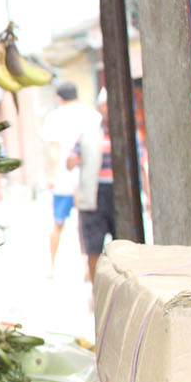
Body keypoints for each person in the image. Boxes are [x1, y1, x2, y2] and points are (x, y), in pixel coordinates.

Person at [40, 80, 100, 275]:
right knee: (85, 223)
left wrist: (52, 175)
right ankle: (87, 267)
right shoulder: (91, 115)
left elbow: (54, 150)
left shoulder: (54, 117)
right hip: (87, 178)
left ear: (59, 98)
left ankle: (51, 265)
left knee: (58, 223)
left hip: (63, 179)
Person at [73, 92, 114, 286]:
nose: (107, 109)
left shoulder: (125, 133)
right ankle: (96, 290)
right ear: (100, 108)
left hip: (117, 193)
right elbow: (72, 160)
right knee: (93, 248)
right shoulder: (88, 134)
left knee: (123, 246)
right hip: (95, 194)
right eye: (104, 105)